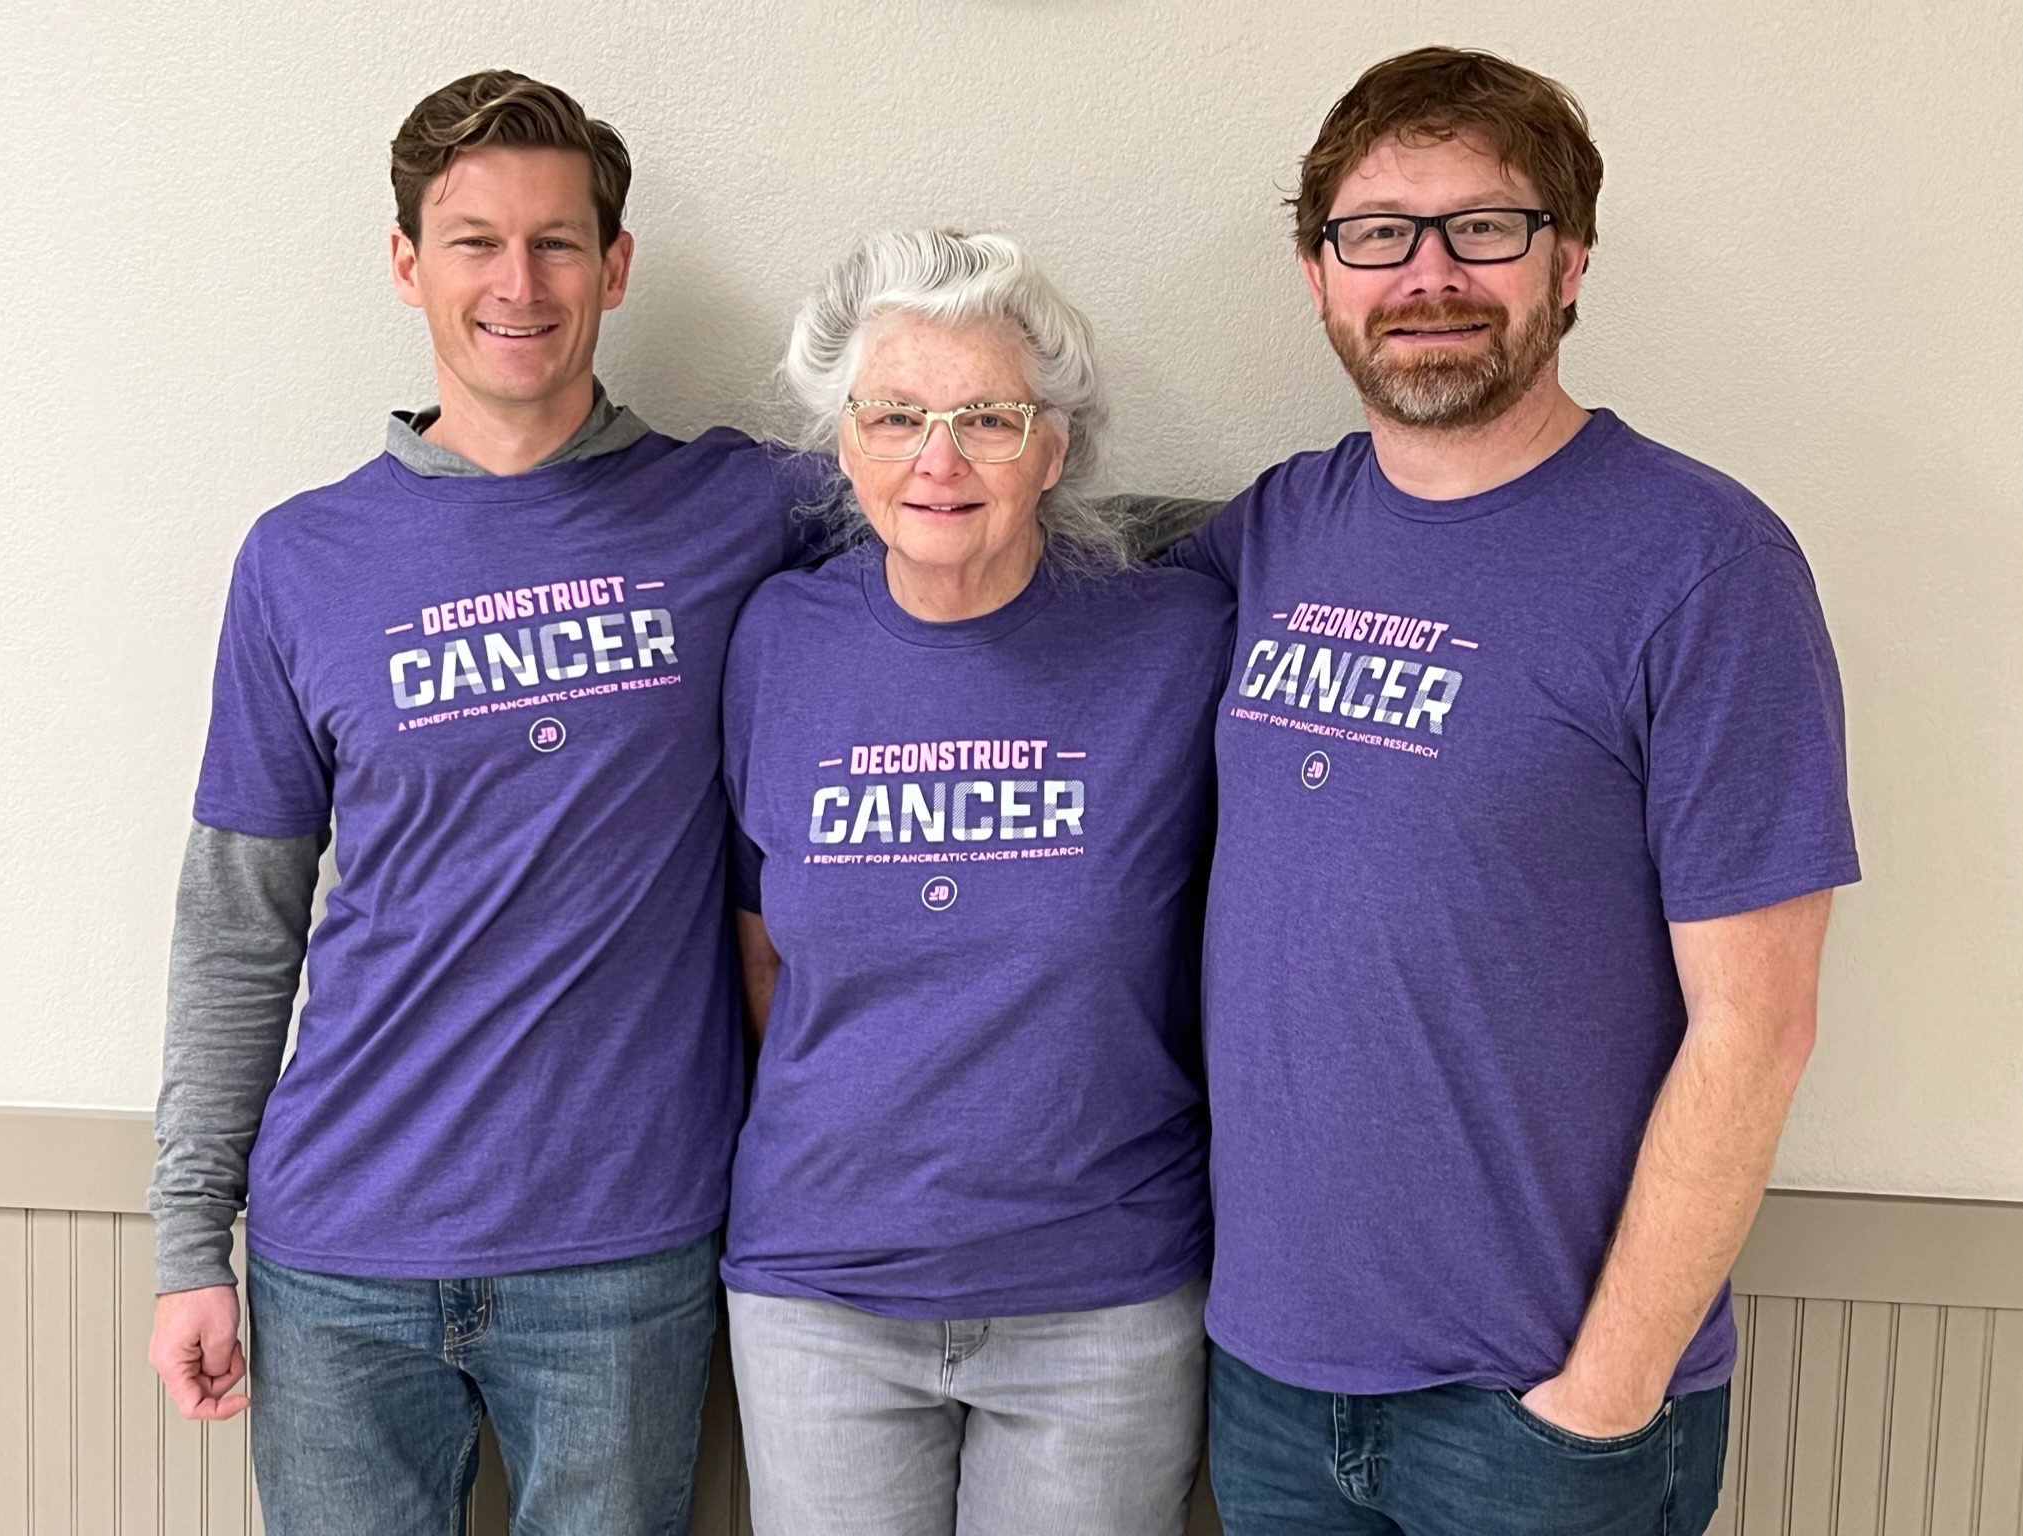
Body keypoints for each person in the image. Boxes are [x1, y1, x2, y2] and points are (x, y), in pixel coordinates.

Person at [1169, 46, 1861, 1533]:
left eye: (1482, 227)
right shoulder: (1278, 527)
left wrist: (1601, 1396)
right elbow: (1047, 628)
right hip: (1271, 1382)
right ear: (1317, 273)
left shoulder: (1702, 566)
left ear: (1570, 260)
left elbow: (1759, 1025)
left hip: (1538, 1414)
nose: (1428, 275)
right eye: (1378, 233)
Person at [146, 70, 819, 1533]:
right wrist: (191, 1240)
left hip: (622, 1250)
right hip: (340, 1254)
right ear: (407, 264)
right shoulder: (299, 559)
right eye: (474, 242)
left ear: (614, 267)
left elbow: (964, 485)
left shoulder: (739, 510)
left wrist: (1237, 557)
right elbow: (238, 926)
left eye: (557, 242)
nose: (519, 283)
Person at [719, 229, 1231, 1536]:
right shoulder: (777, 640)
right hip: (820, 1295)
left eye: (987, 420)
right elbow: (762, 946)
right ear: (844, 445)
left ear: (1053, 448)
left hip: (1101, 1299)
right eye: (894, 416)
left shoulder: (1175, 644)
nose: (936, 461)